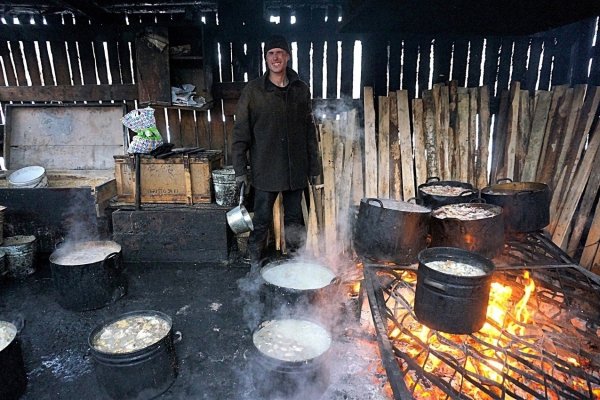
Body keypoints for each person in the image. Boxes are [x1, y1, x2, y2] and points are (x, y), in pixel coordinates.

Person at [232, 35, 321, 271]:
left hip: (295, 169)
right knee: (261, 221)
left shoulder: (300, 90)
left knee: (294, 220)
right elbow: (241, 132)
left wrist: (314, 167)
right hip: (266, 168)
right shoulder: (253, 91)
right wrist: (240, 169)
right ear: (266, 58)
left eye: (280, 53)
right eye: (271, 53)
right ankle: (255, 264)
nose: (276, 58)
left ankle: (295, 264)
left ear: (288, 56)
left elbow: (308, 130)